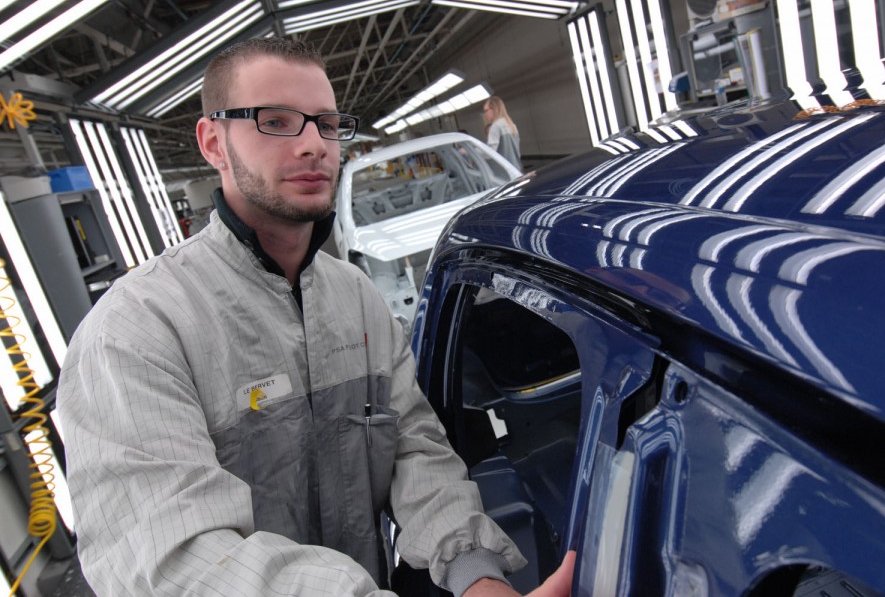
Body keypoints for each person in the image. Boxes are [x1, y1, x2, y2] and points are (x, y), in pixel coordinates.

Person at [57, 37, 574, 596]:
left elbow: (413, 448)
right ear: (213, 142)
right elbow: (176, 562)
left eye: (326, 124)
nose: (313, 145)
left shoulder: (355, 297)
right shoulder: (137, 329)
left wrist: (476, 575)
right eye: (276, 121)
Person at [483, 96, 522, 172]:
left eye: (486, 110)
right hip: (516, 169)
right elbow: (518, 152)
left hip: (504, 173)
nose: (485, 114)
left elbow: (489, 153)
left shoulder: (495, 126)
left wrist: (471, 151)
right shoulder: (512, 125)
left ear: (494, 109)